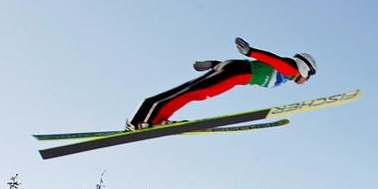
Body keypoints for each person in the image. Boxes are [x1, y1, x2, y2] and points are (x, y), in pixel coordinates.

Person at [128, 37, 316, 129]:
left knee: (184, 91)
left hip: (232, 68)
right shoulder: (289, 69)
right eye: (309, 76)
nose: (307, 80)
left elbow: (265, 64)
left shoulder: (285, 73)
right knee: (190, 93)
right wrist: (251, 51)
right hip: (236, 73)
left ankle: (139, 120)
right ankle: (146, 121)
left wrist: (213, 65)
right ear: (305, 68)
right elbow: (275, 60)